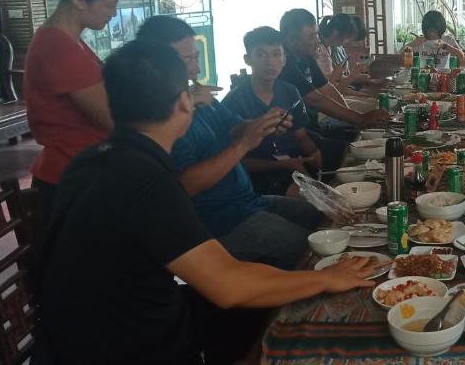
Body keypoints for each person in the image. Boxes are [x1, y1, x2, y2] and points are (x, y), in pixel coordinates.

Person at [37, 40, 377, 364]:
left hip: (75, 337)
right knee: (287, 324)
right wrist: (328, 278)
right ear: (185, 103)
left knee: (264, 312)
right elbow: (228, 284)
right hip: (125, 348)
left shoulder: (91, 161)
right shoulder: (145, 182)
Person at [137, 16, 323, 270]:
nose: (196, 69)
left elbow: (235, 127)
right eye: (187, 60)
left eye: (196, 57)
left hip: (247, 201)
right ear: (157, 63)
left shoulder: (201, 96)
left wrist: (262, 124)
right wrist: (244, 144)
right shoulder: (163, 118)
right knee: (309, 247)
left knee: (321, 216)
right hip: (219, 220)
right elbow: (184, 186)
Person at [25, 0, 121, 215]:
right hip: (71, 176)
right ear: (80, 0)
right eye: (109, 5)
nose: (114, 14)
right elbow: (113, 119)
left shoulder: (69, 41)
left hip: (82, 169)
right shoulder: (57, 46)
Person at [223, 26, 336, 195]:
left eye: (276, 54)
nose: (269, 61)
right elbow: (233, 161)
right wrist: (282, 165)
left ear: (284, 59)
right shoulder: (233, 102)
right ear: (247, 59)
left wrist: (314, 153)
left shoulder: (290, 92)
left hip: (293, 167)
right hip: (258, 178)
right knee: (313, 199)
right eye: (261, 54)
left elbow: (301, 136)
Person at [277, 8, 388, 139]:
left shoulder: (306, 56)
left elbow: (327, 88)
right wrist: (359, 119)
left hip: (315, 125)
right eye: (312, 36)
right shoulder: (285, 64)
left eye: (317, 34)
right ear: (291, 40)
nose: (318, 40)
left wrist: (354, 118)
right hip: (299, 136)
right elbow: (314, 99)